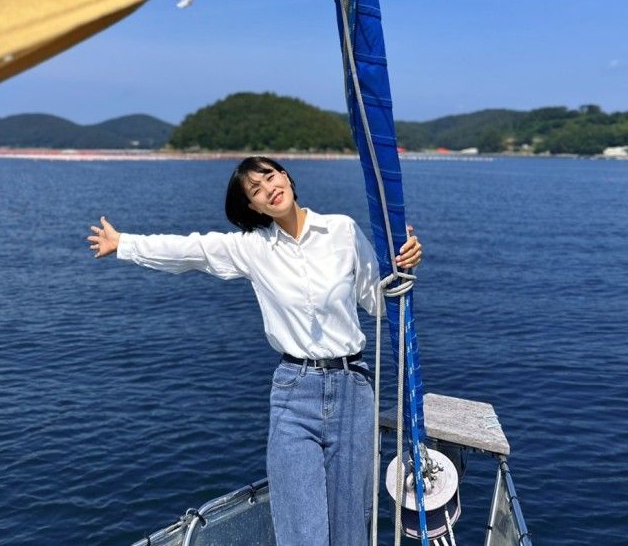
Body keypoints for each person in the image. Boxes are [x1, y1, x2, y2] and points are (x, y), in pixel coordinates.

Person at [88, 156, 422, 546]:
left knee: (351, 525)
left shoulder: (341, 230)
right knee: (302, 532)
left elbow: (378, 301)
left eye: (270, 176)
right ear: (253, 207)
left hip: (353, 388)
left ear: (287, 176)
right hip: (294, 394)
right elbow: (190, 250)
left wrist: (403, 266)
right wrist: (123, 244)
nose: (268, 188)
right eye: (256, 190)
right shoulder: (253, 248)